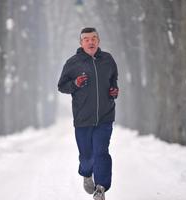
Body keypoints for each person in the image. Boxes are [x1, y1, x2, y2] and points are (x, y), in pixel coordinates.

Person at [57, 27, 118, 200]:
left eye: (93, 38)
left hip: (105, 116)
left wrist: (114, 90)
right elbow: (61, 86)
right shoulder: (73, 63)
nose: (90, 42)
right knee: (87, 155)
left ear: (98, 41)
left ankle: (101, 188)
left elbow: (113, 79)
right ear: (81, 43)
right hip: (83, 118)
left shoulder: (108, 60)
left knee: (101, 151)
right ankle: (86, 173)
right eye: (86, 39)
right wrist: (75, 84)